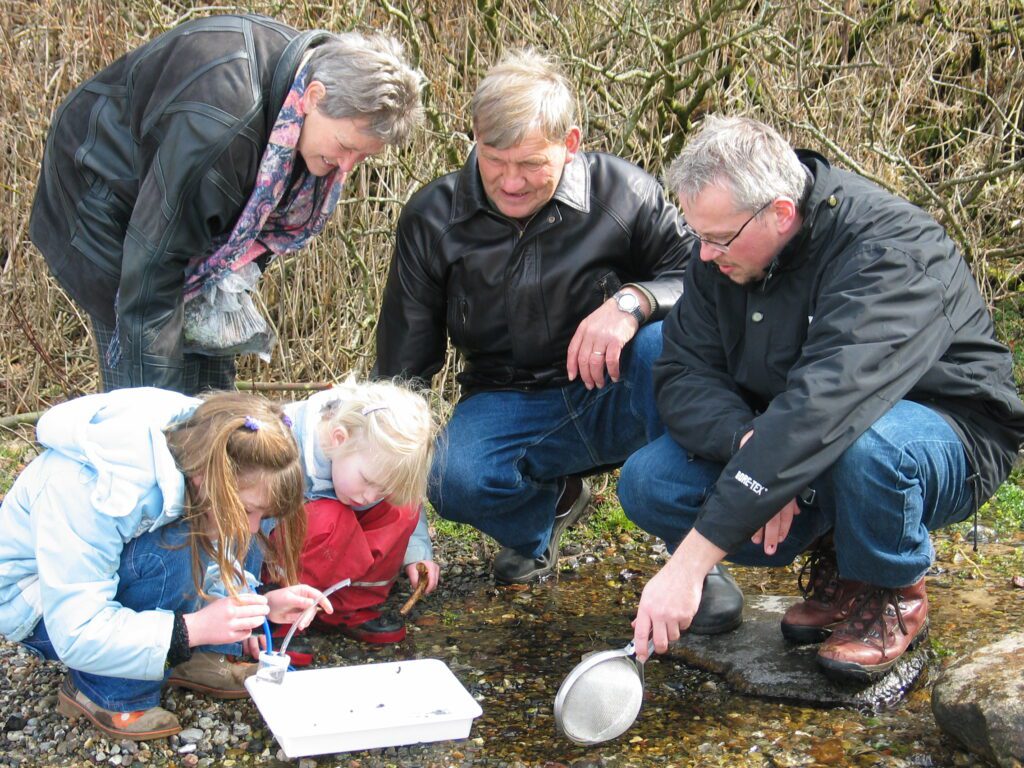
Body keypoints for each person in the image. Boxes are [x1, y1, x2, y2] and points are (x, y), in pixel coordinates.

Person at [620, 115, 1024, 680]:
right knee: (649, 483)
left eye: (717, 238)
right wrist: (748, 443)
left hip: (947, 429)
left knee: (872, 449)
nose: (704, 255)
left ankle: (890, 589)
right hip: (796, 431)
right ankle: (842, 552)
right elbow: (684, 370)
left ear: (781, 212)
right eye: (698, 236)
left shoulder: (889, 249)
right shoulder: (726, 247)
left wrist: (688, 566)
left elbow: (825, 406)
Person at [374, 50, 738, 629]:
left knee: (663, 342)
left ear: (570, 143)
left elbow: (705, 277)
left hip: (618, 387)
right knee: (450, 474)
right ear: (473, 139)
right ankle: (547, 512)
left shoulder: (624, 191)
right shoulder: (432, 217)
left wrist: (632, 301)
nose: (511, 182)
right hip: (507, 398)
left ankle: (693, 555)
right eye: (494, 161)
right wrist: (400, 524)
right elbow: (402, 372)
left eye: (530, 164)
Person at [30, 14, 423, 395]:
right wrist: (157, 416)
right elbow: (152, 269)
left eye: (364, 157)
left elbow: (244, 244)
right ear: (314, 97)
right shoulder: (221, 129)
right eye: (346, 147)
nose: (347, 168)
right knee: (144, 398)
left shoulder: (304, 96)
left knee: (211, 398)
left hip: (183, 203)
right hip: (102, 191)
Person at [0, 388, 332, 740]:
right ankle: (108, 691)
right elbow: (76, 628)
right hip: (37, 606)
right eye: (249, 509)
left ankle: (197, 658)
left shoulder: (208, 451)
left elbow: (218, 551)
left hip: (86, 596)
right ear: (206, 477)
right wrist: (192, 629)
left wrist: (260, 606)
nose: (252, 525)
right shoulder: (94, 486)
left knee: (219, 525)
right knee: (168, 546)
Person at [267, 378, 439, 660]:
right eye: (367, 481)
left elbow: (406, 498)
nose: (369, 496)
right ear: (338, 439)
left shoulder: (370, 454)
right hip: (283, 560)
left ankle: (346, 607)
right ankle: (284, 618)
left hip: (336, 558)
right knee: (330, 518)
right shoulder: (286, 446)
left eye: (381, 488)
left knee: (401, 507)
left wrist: (417, 553)